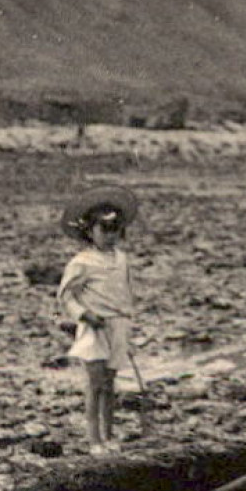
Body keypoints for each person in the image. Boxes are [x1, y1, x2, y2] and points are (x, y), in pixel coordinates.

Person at [56, 186, 141, 456]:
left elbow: (126, 292)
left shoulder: (122, 259)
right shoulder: (81, 262)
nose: (110, 235)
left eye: (115, 228)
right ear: (89, 231)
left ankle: (109, 434)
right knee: (95, 383)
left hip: (117, 325)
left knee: (110, 383)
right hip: (94, 328)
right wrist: (84, 315)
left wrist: (128, 322)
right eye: (103, 229)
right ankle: (94, 439)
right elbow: (66, 296)